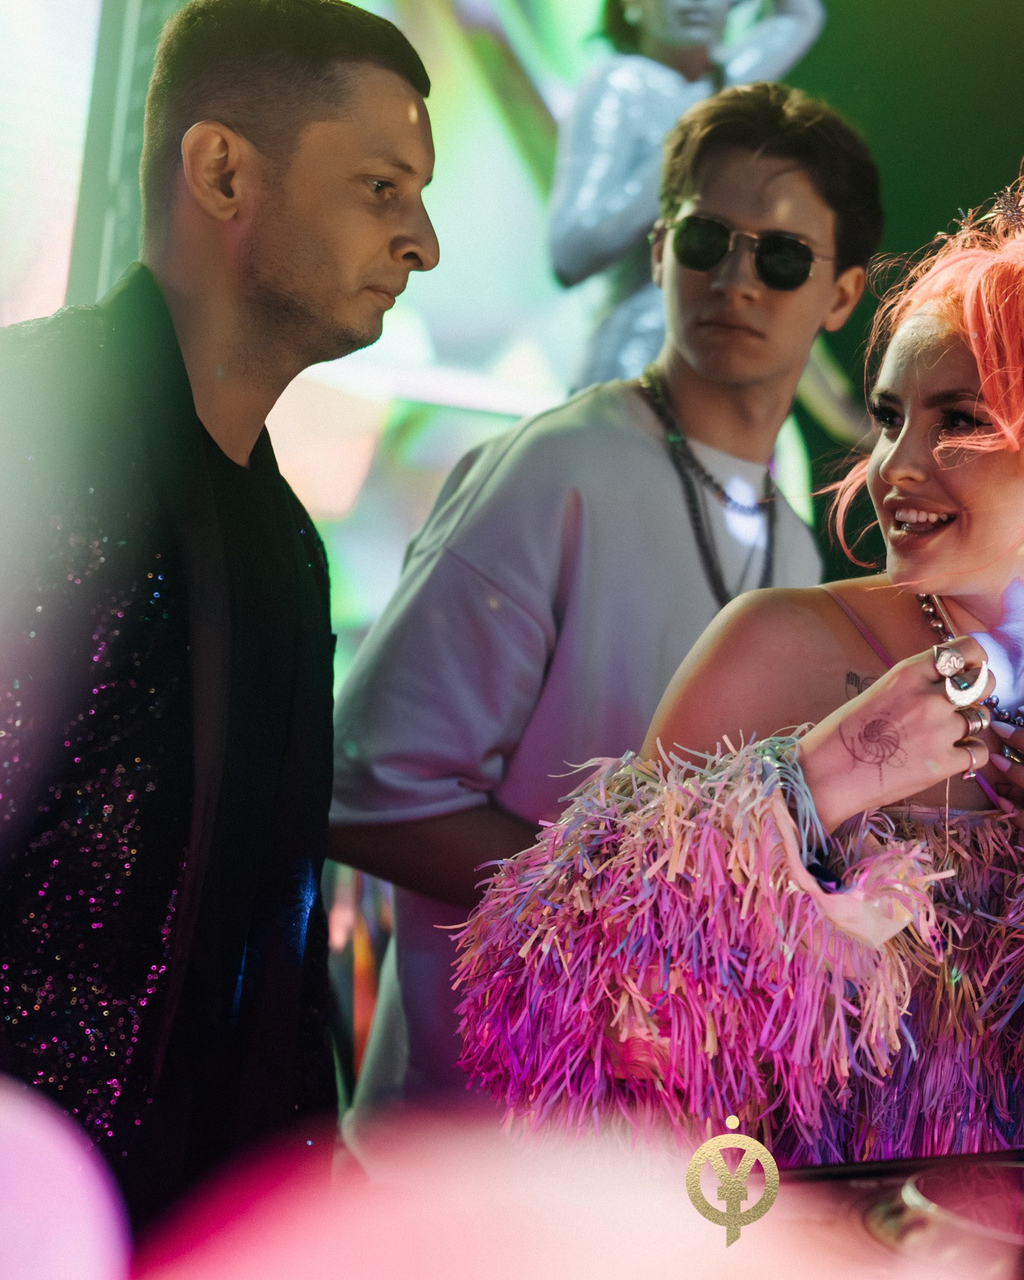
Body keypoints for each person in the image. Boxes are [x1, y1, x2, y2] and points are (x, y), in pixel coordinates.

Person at [454, 153, 1024, 1200]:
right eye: (891, 414)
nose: (897, 466)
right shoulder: (774, 647)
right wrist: (817, 780)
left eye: (961, 421)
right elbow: (561, 1017)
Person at [0, 0, 439, 1227]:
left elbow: (274, 935)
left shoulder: (288, 542)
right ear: (224, 170)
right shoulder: (10, 442)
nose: (425, 243)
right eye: (383, 188)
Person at [329, 83, 877, 1103]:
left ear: (841, 295)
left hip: (656, 1133)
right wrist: (636, 917)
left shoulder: (797, 550)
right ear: (660, 250)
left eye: (782, 256)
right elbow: (370, 795)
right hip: (468, 1135)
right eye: (707, 240)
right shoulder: (557, 470)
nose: (737, 279)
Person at [551, 0, 824, 388]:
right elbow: (570, 253)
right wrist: (684, 154)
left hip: (711, 377)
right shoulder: (618, 84)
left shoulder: (725, 83)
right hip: (630, 374)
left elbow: (800, 14)